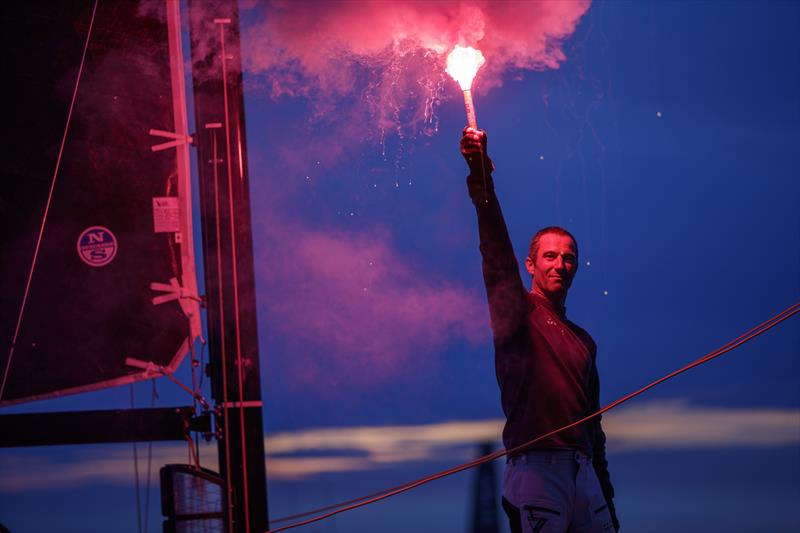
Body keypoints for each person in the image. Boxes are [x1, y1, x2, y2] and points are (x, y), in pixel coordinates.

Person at [461, 127, 619, 533]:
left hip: (583, 472)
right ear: (531, 265)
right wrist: (481, 178)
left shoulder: (584, 342)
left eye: (569, 258)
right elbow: (495, 252)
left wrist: (606, 498)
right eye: (550, 256)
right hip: (537, 469)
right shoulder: (517, 314)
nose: (560, 264)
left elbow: (594, 428)